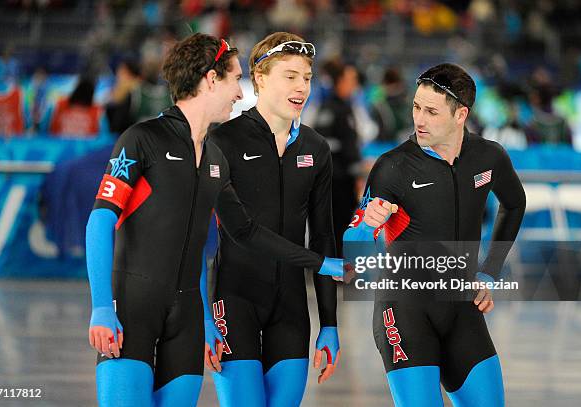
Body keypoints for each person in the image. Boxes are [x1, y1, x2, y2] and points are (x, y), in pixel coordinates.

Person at [86, 33, 344, 407]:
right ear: (211, 79)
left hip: (189, 321)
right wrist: (101, 307)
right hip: (134, 312)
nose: (239, 93)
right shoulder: (144, 139)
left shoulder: (213, 156)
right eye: (233, 80)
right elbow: (99, 222)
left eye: (306, 77)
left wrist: (206, 318)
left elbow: (240, 231)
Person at [345, 63, 526, 406]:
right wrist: (367, 225)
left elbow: (514, 205)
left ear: (461, 115)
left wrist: (489, 271)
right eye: (416, 107)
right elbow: (352, 254)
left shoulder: (488, 157)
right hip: (404, 311)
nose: (419, 119)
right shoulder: (393, 166)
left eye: (431, 111)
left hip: (461, 309)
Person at [209, 32, 340, 407]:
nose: (302, 87)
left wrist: (329, 322)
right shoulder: (225, 141)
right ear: (260, 78)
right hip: (235, 299)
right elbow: (221, 233)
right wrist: (201, 318)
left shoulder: (315, 148)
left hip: (291, 306)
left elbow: (323, 237)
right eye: (290, 76)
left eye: (308, 77)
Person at [314, 59, 361, 257]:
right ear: (340, 81)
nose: (354, 84)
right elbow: (324, 141)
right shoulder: (332, 108)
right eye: (351, 79)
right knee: (335, 221)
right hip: (334, 178)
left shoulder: (346, 106)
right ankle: (332, 263)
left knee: (343, 221)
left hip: (344, 177)